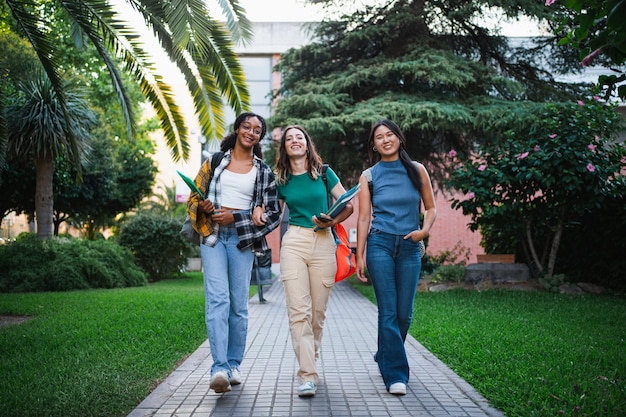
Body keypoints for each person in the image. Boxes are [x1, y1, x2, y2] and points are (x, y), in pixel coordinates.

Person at [186, 112, 282, 394]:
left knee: (238, 305)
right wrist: (202, 207)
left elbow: (274, 214)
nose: (251, 132)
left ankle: (233, 364)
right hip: (213, 237)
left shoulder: (263, 171)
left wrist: (237, 217)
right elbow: (195, 196)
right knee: (217, 299)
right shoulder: (214, 162)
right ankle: (218, 369)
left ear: (260, 137)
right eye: (246, 127)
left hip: (243, 241)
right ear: (237, 129)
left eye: (257, 130)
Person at [355, 119, 436, 396]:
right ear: (374, 145)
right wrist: (360, 255)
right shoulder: (369, 176)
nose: (385, 140)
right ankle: (395, 375)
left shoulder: (417, 170)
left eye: (390, 134)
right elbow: (364, 217)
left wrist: (423, 231)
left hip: (410, 245)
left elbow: (431, 207)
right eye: (379, 137)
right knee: (388, 311)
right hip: (380, 244)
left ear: (399, 138)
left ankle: (386, 354)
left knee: (405, 313)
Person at [274, 125, 354, 397]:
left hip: (323, 241)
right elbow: (274, 213)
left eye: (299, 137)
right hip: (294, 241)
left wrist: (332, 220)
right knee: (299, 312)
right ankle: (307, 374)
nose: (294, 141)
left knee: (317, 314)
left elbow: (348, 204)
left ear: (307, 144)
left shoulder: (323, 173)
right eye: (289, 139)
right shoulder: (280, 179)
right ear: (284, 147)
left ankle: (311, 355)